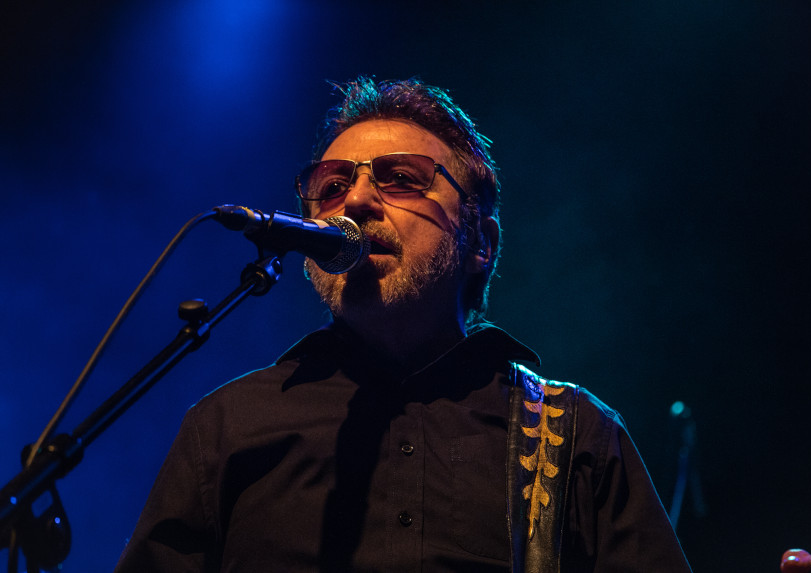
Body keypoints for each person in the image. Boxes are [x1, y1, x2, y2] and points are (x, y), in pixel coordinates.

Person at [114, 77, 692, 572]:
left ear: (480, 243)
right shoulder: (226, 427)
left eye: (401, 178)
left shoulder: (581, 437)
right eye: (332, 186)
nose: (356, 201)